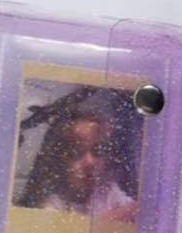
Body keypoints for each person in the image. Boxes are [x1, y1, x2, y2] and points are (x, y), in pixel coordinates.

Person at [15, 91, 138, 221]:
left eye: (98, 151)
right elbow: (66, 232)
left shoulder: (107, 191)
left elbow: (138, 209)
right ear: (58, 161)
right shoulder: (53, 203)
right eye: (76, 153)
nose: (90, 162)